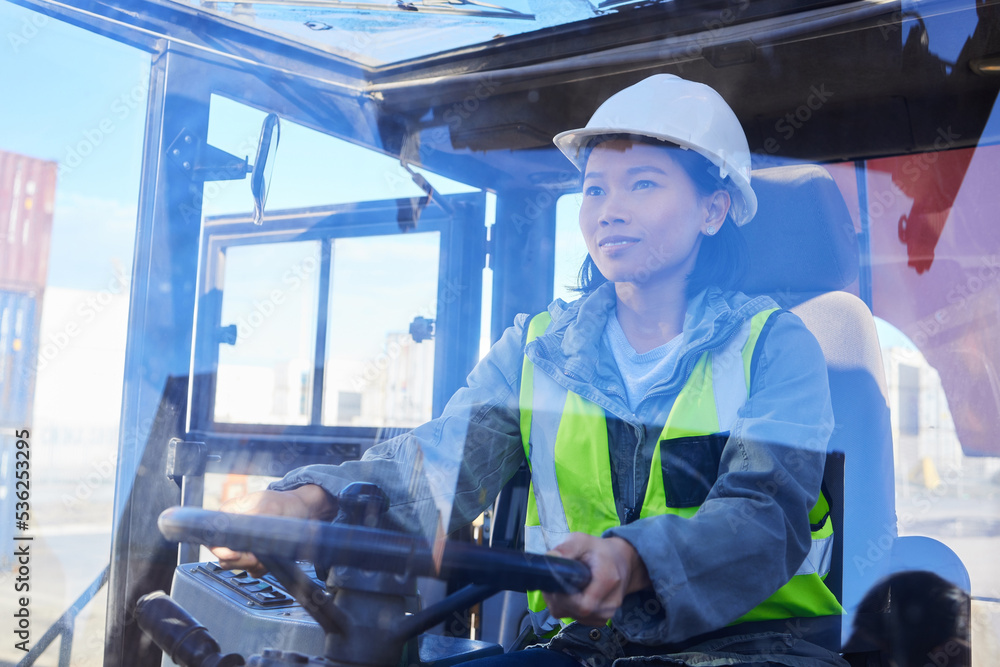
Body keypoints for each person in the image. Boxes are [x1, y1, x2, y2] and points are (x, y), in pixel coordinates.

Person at [212, 74, 847, 666]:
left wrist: (630, 560)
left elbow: (763, 515)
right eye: (595, 187)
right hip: (585, 646)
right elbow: (439, 464)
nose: (609, 209)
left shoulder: (774, 346)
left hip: (755, 648)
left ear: (712, 211)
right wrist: (305, 500)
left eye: (643, 184)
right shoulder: (538, 348)